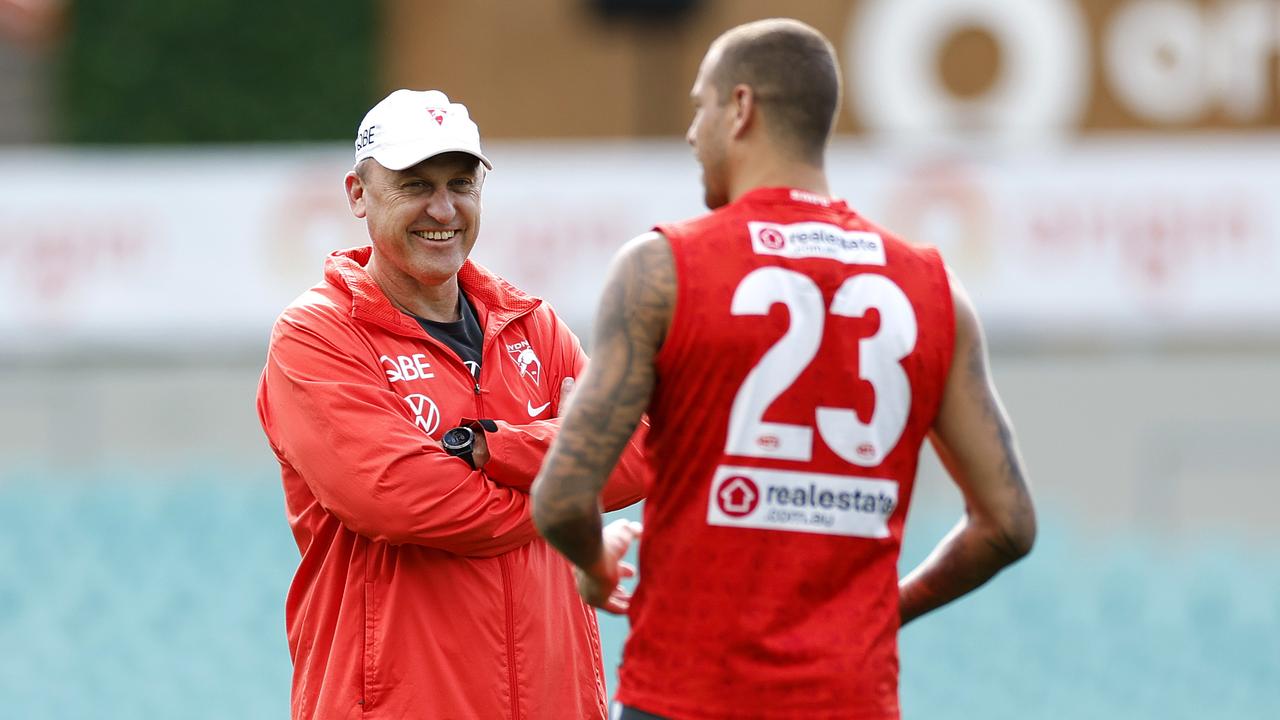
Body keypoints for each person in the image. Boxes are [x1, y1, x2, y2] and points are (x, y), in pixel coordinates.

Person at [532, 18, 1036, 720]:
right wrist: (887, 612)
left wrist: (596, 565)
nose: (690, 132)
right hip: (849, 700)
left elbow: (559, 500)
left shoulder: (661, 271)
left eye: (700, 105)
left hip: (685, 698)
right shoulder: (935, 294)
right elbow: (1008, 525)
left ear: (740, 109)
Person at [256, 88, 649, 720]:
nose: (443, 208)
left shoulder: (530, 322)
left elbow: (642, 449)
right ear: (358, 194)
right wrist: (568, 465)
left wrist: (490, 446)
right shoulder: (315, 335)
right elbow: (405, 501)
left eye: (461, 183)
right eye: (414, 185)